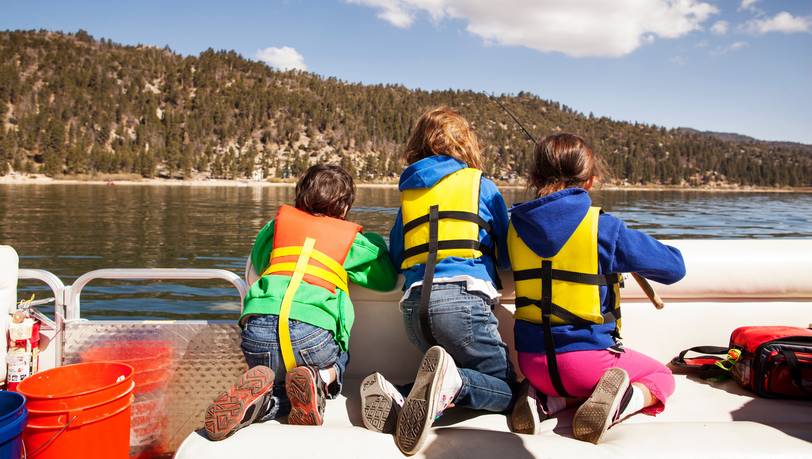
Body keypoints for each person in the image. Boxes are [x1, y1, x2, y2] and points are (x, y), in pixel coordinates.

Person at [506, 133, 686, 443]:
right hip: (587, 364)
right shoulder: (604, 229)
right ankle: (622, 401)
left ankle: (546, 401)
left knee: (558, 379)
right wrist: (620, 249)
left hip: (532, 364)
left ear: (534, 177)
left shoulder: (512, 227)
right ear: (590, 181)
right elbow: (674, 268)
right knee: (662, 375)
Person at [204, 164, 397, 440]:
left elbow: (260, 261)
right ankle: (320, 380)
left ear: (300, 196)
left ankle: (263, 403)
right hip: (312, 341)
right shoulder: (352, 242)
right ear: (344, 209)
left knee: (277, 385)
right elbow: (386, 279)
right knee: (342, 353)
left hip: (258, 338)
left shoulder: (275, 228)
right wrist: (373, 242)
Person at [362, 106, 514, 456]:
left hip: (415, 309)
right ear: (467, 145)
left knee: (447, 374)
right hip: (463, 304)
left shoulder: (410, 195)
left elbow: (399, 255)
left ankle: (399, 392)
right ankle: (454, 384)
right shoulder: (483, 186)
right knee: (506, 389)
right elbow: (505, 255)